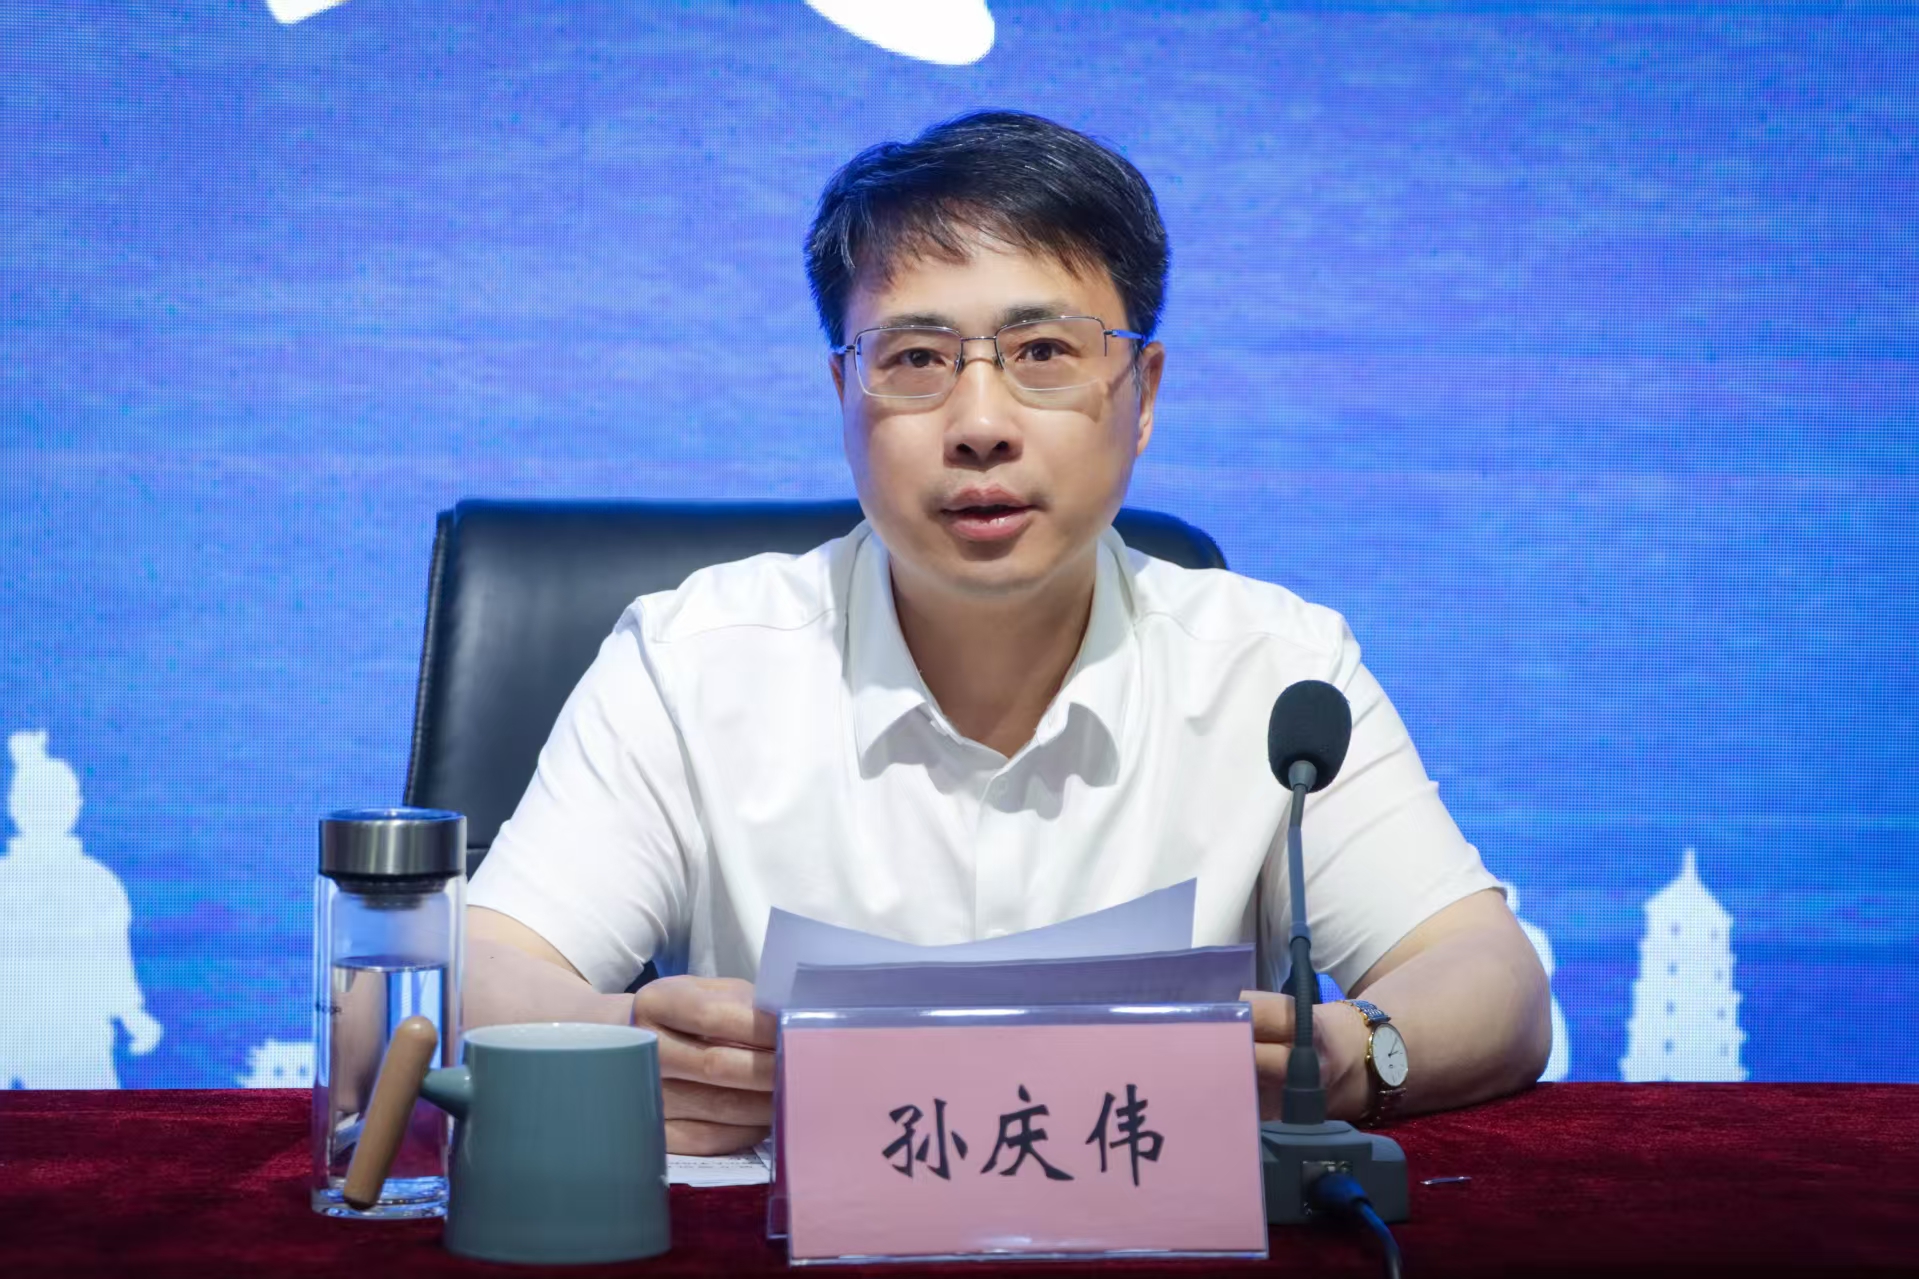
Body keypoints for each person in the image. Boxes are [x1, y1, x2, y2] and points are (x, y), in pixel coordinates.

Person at [464, 111, 1550, 1154]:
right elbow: (470, 971)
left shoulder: (1274, 668)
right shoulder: (690, 661)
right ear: (843, 393)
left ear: (1142, 395)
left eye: (1042, 351)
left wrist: (1358, 1053)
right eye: (914, 359)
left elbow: (1488, 977)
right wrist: (612, 1044)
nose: (980, 424)